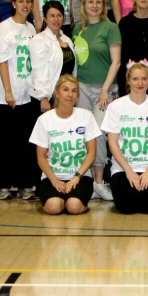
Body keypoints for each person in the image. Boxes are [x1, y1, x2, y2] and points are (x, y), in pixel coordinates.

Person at [101, 61, 148, 214]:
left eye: (144, 79)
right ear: (128, 80)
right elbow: (112, 143)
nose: (140, 83)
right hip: (123, 169)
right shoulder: (116, 106)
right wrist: (129, 172)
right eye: (135, 79)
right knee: (126, 208)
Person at [72, 0, 121, 200]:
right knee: (85, 133)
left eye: (98, 2)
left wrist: (105, 90)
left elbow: (116, 62)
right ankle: (89, 181)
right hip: (81, 88)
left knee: (100, 133)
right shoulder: (76, 30)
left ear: (104, 5)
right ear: (84, 5)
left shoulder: (111, 28)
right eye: (90, 2)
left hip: (105, 88)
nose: (94, 6)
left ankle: (100, 181)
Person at [29, 75, 100, 215]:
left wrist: (76, 178)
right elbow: (41, 157)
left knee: (73, 206)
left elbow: (92, 153)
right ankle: (56, 199)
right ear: (57, 92)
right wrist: (55, 181)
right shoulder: (44, 120)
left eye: (74, 91)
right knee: (54, 207)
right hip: (53, 177)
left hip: (80, 177)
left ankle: (78, 201)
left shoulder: (86, 116)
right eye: (65, 90)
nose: (70, 95)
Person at [0, 0, 37, 200]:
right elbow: (2, 61)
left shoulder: (31, 29)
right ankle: (1, 185)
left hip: (28, 94)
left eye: (29, 1)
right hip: (8, 96)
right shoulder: (4, 28)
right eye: (21, 1)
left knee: (25, 142)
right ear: (14, 4)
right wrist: (8, 91)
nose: (25, 5)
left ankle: (23, 184)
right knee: (5, 142)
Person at [28, 1, 77, 196]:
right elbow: (39, 71)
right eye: (52, 15)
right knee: (44, 145)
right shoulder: (39, 40)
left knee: (59, 143)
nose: (56, 19)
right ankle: (41, 186)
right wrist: (43, 98)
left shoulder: (67, 39)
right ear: (45, 18)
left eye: (59, 15)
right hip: (47, 99)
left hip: (64, 98)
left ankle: (61, 183)